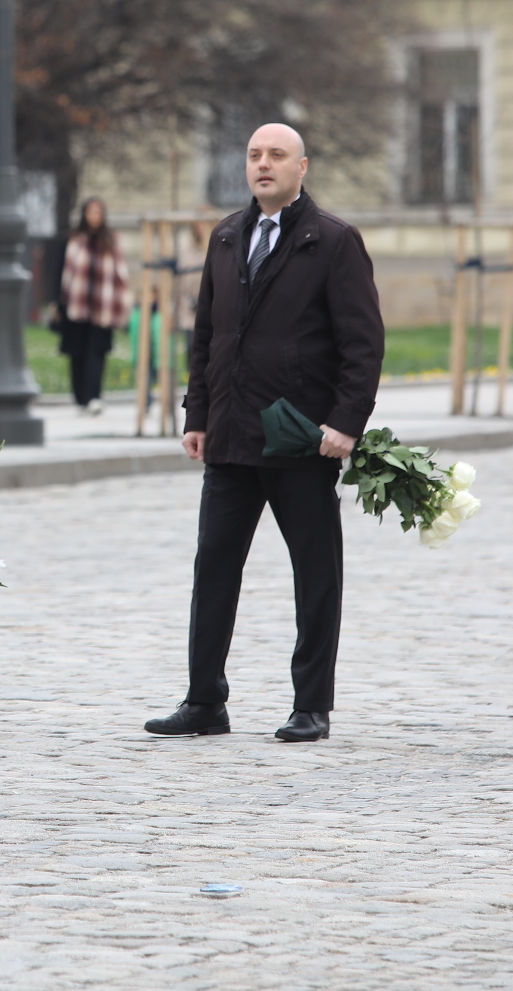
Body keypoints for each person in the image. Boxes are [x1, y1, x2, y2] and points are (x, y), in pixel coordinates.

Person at [143, 123, 384, 744]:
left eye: (277, 155)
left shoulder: (332, 241)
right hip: (228, 435)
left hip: (300, 438)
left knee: (315, 571)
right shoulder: (227, 235)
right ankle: (204, 701)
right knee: (214, 567)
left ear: (303, 166)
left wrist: (346, 424)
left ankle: (311, 705)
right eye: (254, 156)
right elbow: (207, 335)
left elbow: (363, 344)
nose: (263, 165)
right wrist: (196, 415)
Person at [58, 198, 131, 416]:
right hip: (77, 306)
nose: (94, 216)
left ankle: (94, 397)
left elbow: (120, 273)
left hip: (103, 305)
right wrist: (60, 301)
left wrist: (124, 302)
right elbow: (65, 272)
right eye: (91, 212)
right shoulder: (75, 240)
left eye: (98, 212)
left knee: (97, 353)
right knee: (77, 353)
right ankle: (80, 398)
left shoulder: (111, 240)